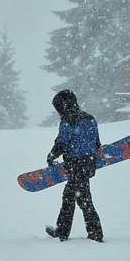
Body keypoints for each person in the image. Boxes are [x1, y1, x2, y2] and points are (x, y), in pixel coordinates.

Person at [45, 90, 104, 242]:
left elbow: (62, 142)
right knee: (76, 197)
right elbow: (97, 141)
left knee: (77, 199)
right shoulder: (90, 118)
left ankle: (70, 232)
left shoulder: (68, 121)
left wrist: (52, 156)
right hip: (88, 162)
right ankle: (90, 232)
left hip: (75, 164)